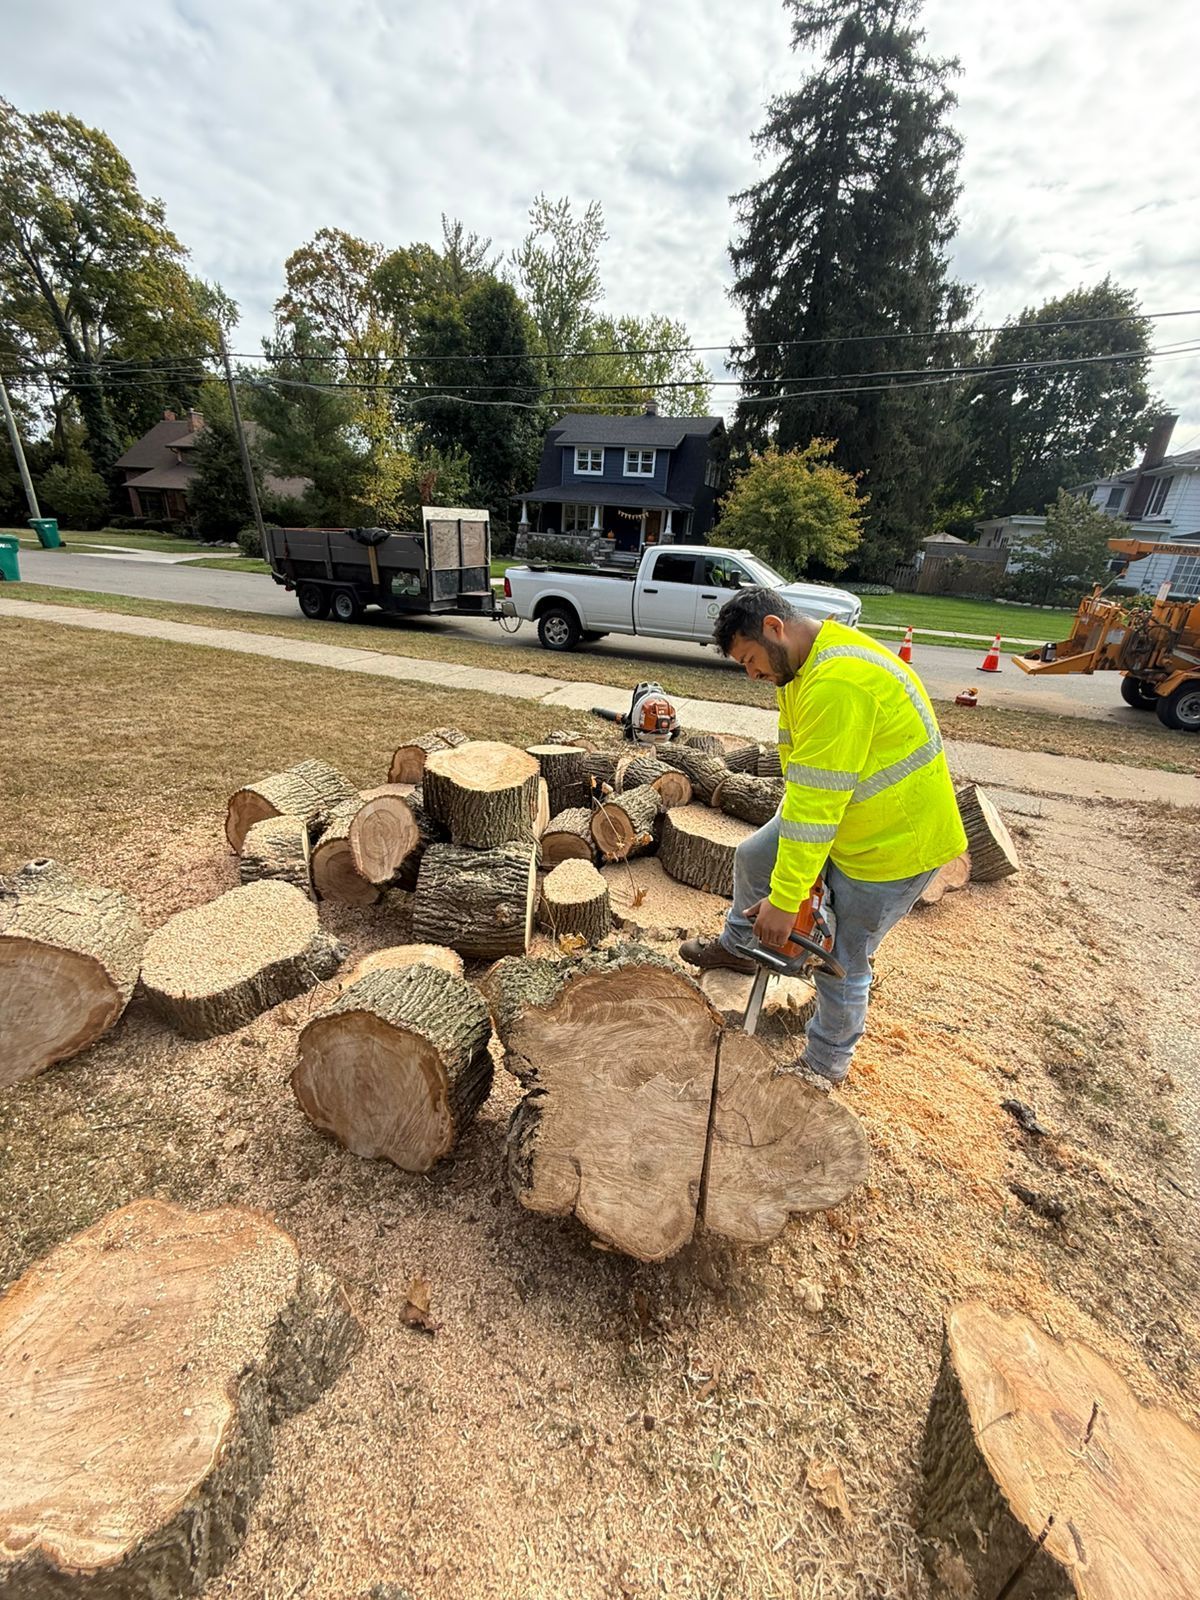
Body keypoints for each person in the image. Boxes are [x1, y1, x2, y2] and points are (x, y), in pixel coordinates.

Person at [680, 587, 967, 1084]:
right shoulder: (799, 666)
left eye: (750, 660)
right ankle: (742, 948)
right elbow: (808, 786)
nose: (752, 674)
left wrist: (787, 899)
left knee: (842, 959)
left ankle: (825, 1066)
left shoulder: (837, 684)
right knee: (753, 856)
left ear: (775, 627)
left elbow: (817, 809)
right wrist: (783, 888)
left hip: (894, 845)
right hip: (848, 817)